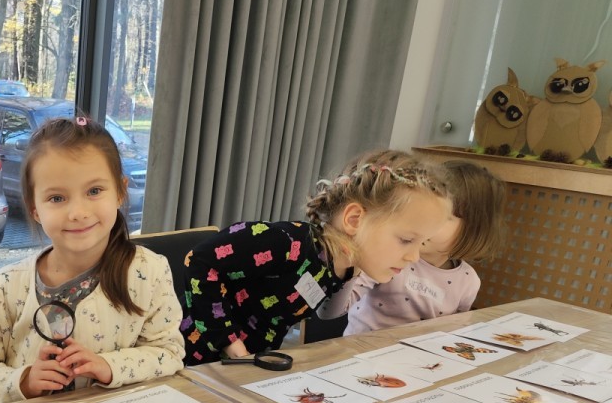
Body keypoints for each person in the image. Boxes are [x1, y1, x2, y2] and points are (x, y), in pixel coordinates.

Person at [0, 115, 185, 403]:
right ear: (34, 208)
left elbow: (168, 352)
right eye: (57, 198)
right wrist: (24, 381)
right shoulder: (1, 289)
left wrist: (108, 366)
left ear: (120, 192)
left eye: (94, 191)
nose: (78, 213)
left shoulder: (150, 273)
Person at [180, 149, 454, 363]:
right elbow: (201, 260)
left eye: (422, 243)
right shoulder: (288, 244)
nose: (414, 257)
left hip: (241, 369)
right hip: (191, 359)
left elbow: (324, 312)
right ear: (355, 219)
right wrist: (231, 343)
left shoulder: (341, 266)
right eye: (406, 240)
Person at [317, 160, 506, 334]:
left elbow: (451, 334)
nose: (422, 224)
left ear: (474, 230)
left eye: (445, 218)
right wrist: (349, 266)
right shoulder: (390, 258)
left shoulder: (468, 281)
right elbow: (330, 312)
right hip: (361, 354)